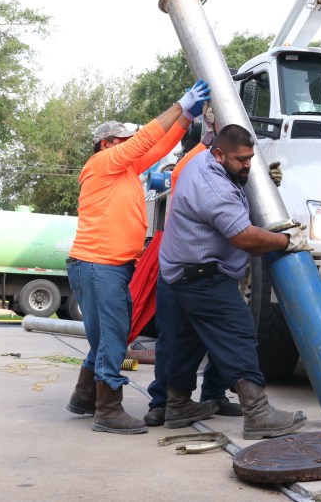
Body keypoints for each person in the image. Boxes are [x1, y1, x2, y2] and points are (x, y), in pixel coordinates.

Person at [65, 79, 211, 435]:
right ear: (106, 144)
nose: (129, 144)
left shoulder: (124, 169)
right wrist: (180, 105)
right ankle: (108, 410)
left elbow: (157, 147)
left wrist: (185, 120)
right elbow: (147, 139)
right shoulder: (102, 163)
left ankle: (85, 398)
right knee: (114, 337)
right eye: (122, 140)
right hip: (99, 265)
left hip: (107, 266)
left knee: (107, 337)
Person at [158, 123, 311, 439]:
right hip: (203, 276)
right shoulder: (213, 188)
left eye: (250, 158)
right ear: (219, 154)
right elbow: (244, 237)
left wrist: (260, 182)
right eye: (242, 159)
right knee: (239, 335)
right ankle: (258, 413)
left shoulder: (203, 161)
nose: (248, 165)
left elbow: (232, 192)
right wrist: (287, 241)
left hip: (180, 272)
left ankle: (177, 405)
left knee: (186, 342)